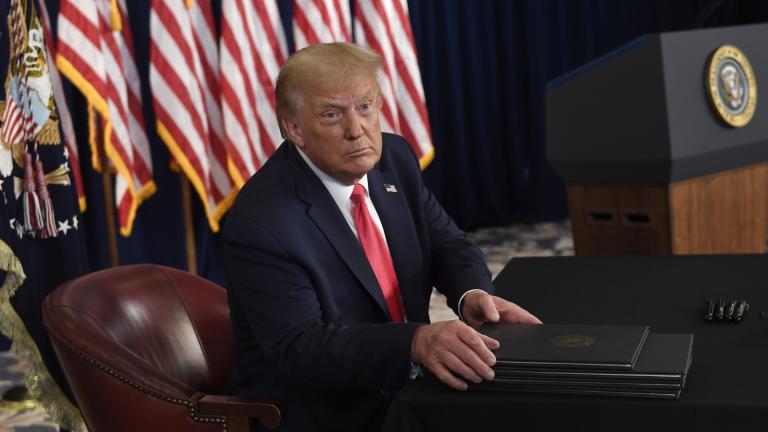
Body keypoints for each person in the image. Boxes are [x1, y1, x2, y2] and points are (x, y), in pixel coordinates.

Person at [223, 42, 541, 432]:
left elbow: (447, 243)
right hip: (328, 412)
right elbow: (301, 349)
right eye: (331, 115)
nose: (356, 131)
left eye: (365, 107)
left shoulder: (394, 159)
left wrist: (471, 294)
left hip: (412, 387)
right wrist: (415, 342)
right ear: (294, 128)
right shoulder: (261, 222)